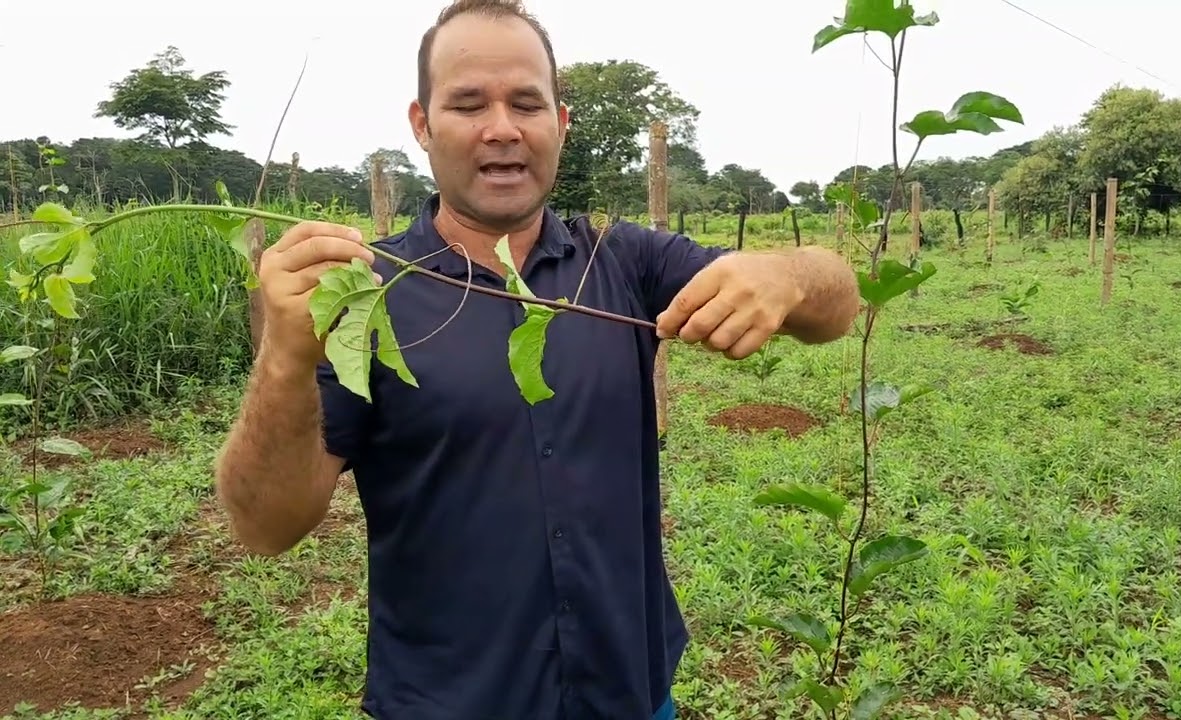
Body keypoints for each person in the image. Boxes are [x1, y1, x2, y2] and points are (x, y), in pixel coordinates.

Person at [212, 0, 860, 717]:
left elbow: (836, 305)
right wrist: (283, 358)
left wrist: (788, 274)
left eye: (527, 102)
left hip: (631, 694)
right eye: (466, 103)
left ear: (561, 124)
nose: (502, 128)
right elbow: (265, 528)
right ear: (421, 125)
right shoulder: (366, 294)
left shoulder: (624, 260)